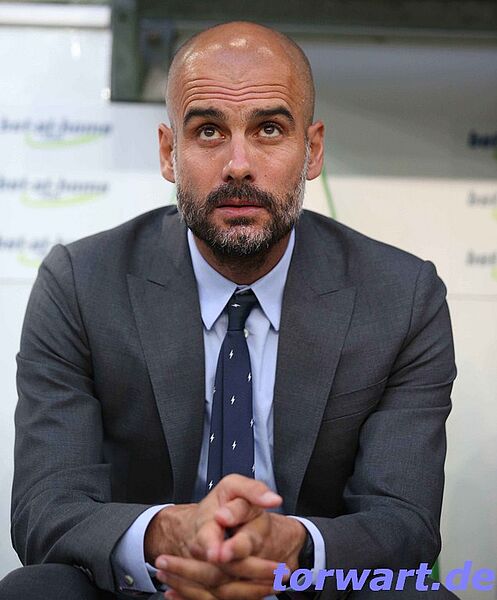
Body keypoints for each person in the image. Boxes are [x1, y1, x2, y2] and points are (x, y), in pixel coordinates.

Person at [0, 21, 458, 600]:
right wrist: (166, 534)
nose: (238, 164)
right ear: (169, 153)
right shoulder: (80, 284)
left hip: (310, 588)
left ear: (312, 150)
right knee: (34, 590)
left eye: (269, 129)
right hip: (146, 586)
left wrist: (293, 546)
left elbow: (405, 522)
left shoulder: (403, 297)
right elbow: (46, 507)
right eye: (209, 131)